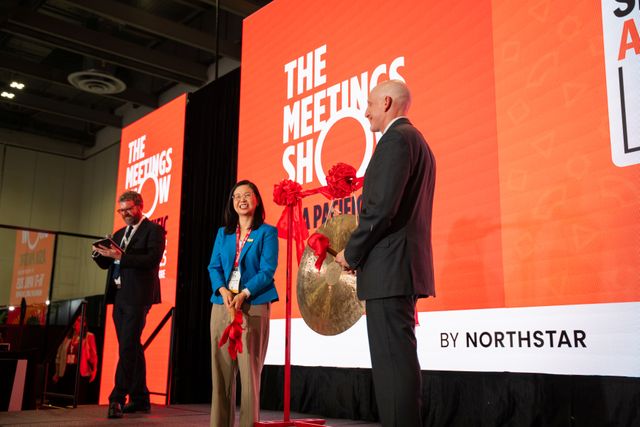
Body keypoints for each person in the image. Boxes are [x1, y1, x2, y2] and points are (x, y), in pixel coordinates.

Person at [335, 79, 436, 427]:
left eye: (369, 104)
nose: (365, 112)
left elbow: (380, 211)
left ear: (387, 103)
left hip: (389, 272)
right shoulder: (418, 142)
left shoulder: (395, 140)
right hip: (399, 269)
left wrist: (351, 254)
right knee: (399, 364)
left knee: (393, 368)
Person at [208, 180, 279, 427]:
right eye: (237, 196)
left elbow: (267, 270)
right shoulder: (223, 233)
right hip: (222, 304)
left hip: (253, 303)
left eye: (247, 195)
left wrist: (245, 293)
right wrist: (222, 290)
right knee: (221, 375)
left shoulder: (267, 232)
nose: (241, 200)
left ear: (256, 200)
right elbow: (214, 266)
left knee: (249, 375)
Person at [92, 190, 166, 419]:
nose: (124, 213)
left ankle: (117, 398)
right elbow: (108, 264)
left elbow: (152, 260)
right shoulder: (119, 233)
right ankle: (141, 398)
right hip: (119, 295)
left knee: (127, 347)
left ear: (140, 206)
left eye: (128, 209)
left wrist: (120, 256)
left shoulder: (154, 230)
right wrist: (99, 254)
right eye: (121, 210)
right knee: (131, 346)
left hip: (139, 295)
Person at [51, 316, 98, 405]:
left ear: (84, 324)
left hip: (80, 370)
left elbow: (93, 355)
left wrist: (94, 370)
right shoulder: (67, 337)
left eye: (79, 321)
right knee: (65, 398)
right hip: (66, 369)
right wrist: (57, 372)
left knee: (78, 398)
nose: (76, 323)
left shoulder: (89, 336)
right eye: (75, 321)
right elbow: (59, 355)